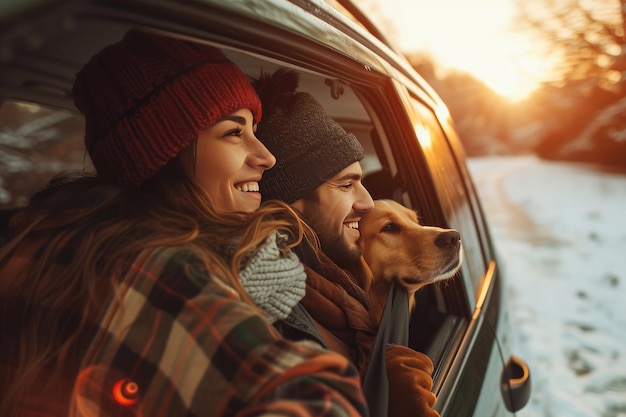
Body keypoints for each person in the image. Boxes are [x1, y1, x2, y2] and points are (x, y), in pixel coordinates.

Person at [0, 30, 369, 417]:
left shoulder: (32, 239)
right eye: (233, 133)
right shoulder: (157, 269)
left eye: (254, 132)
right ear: (164, 153)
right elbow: (311, 404)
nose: (265, 156)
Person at [253, 69, 439, 417]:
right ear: (292, 202)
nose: (368, 202)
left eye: (362, 180)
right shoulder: (280, 315)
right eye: (346, 184)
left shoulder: (347, 281)